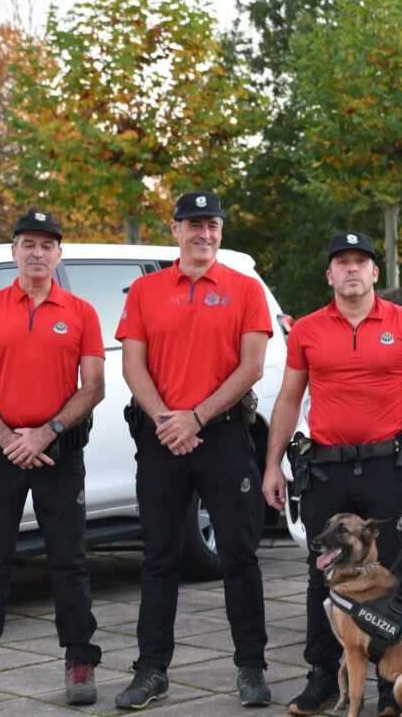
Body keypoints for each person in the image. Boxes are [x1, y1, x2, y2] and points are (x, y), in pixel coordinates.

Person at [262, 231, 402, 717]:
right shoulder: (306, 329)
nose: (351, 270)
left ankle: (388, 685)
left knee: (395, 576)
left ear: (374, 273)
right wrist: (272, 466)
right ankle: (323, 676)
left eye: (360, 262)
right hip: (325, 468)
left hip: (388, 465)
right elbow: (287, 399)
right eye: (342, 262)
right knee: (319, 574)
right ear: (330, 274)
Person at [114, 192, 273, 709]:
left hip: (222, 436)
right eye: (194, 224)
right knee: (159, 558)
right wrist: (166, 419)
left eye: (213, 225)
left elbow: (251, 367)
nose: (204, 233)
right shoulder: (145, 290)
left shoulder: (245, 289)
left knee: (239, 555)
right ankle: (152, 670)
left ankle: (251, 668)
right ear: (175, 229)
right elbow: (132, 365)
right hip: (161, 437)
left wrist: (196, 417)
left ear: (221, 232)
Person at [0, 211, 105, 712]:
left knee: (69, 562)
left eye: (48, 245)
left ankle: (80, 661)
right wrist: (9, 439)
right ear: (12, 251)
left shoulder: (81, 312)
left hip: (60, 451)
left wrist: (46, 433)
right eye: (28, 244)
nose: (38, 252)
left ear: (60, 254)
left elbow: (95, 386)